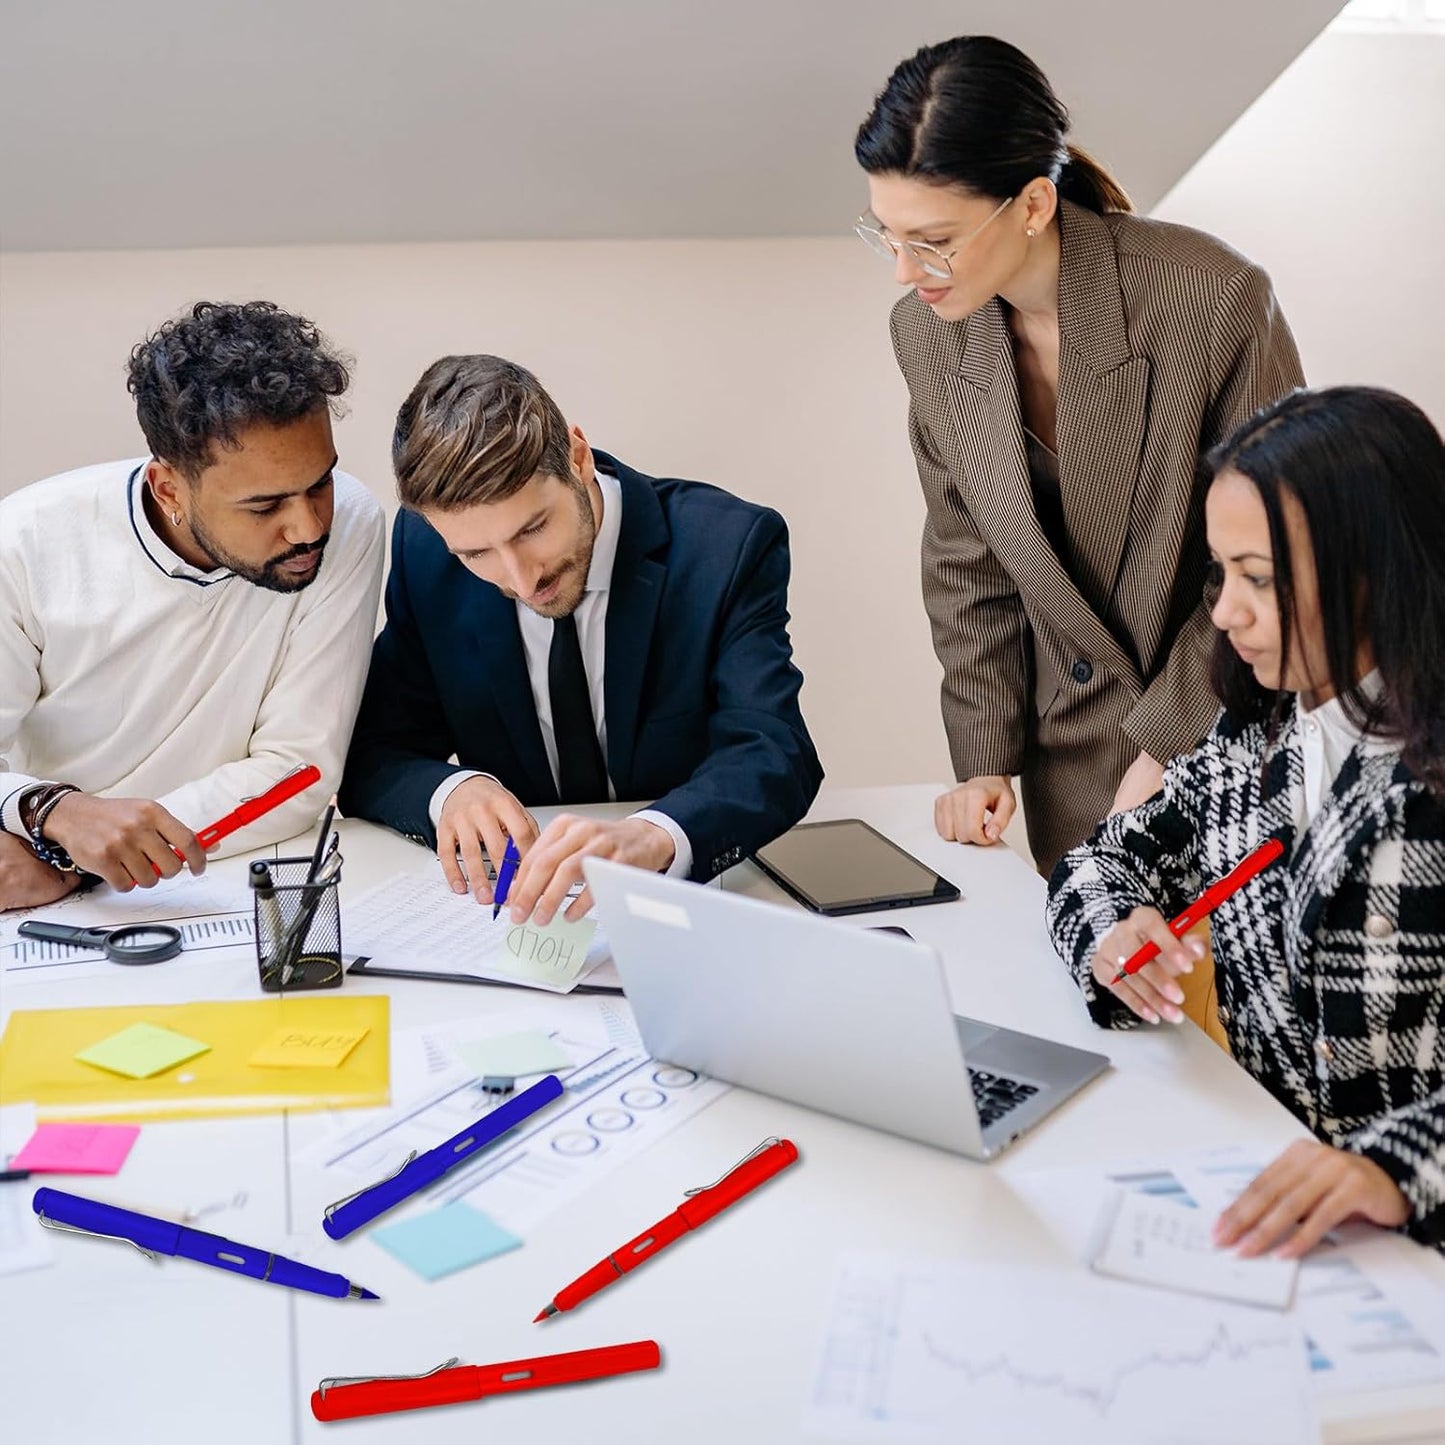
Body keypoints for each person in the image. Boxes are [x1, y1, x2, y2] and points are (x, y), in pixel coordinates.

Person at [854, 34, 1304, 877]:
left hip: (1220, 728)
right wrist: (983, 757)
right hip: (1065, 768)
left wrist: (1169, 744)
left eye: (933, 240)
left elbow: (1272, 555)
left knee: (1219, 1003)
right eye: (885, 235)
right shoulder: (924, 331)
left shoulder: (1212, 297)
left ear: (1030, 203)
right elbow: (965, 560)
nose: (904, 270)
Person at [1048, 386, 1445, 1255]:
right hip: (1279, 1217)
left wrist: (1395, 1164)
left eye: (1259, 580)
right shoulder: (1261, 727)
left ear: (1381, 569)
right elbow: (1097, 861)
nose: (1225, 613)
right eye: (1220, 574)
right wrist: (1111, 932)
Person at [339, 354, 822, 923]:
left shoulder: (726, 546)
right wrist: (453, 792)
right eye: (475, 554)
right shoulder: (425, 555)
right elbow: (373, 751)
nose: (521, 579)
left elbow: (775, 750)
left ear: (578, 456)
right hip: (515, 926)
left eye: (533, 529)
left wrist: (656, 836)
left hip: (687, 911)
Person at [0, 301, 384, 910]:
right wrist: (52, 816)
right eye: (264, 507)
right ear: (170, 488)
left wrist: (83, 861)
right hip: (38, 902)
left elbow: (301, 771)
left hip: (230, 880)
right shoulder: (22, 544)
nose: (308, 527)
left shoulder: (354, 523)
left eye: (321, 482)